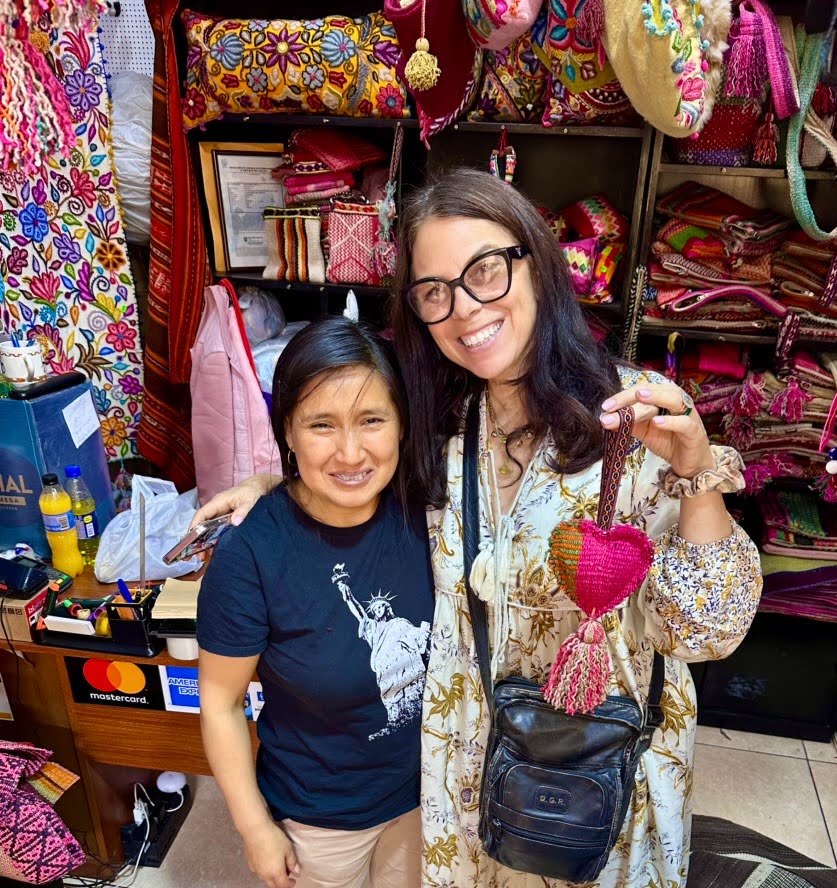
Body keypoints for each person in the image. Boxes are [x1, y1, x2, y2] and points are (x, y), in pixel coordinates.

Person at [194, 168, 763, 888]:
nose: (466, 309)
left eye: (485, 271)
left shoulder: (636, 416)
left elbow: (706, 633)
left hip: (597, 773)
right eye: (436, 291)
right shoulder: (445, 427)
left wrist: (699, 472)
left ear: (537, 264)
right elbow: (355, 457)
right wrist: (275, 484)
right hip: (467, 775)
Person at [197, 317, 433, 888]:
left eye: (371, 420)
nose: (351, 452)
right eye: (321, 425)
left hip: (429, 789)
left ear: (402, 425)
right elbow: (221, 705)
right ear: (287, 433)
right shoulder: (252, 551)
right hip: (319, 817)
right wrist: (255, 827)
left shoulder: (426, 509)